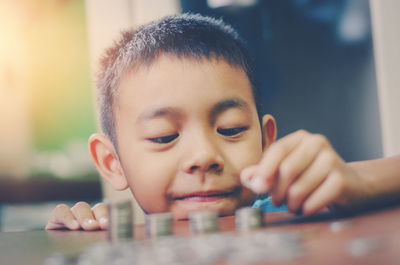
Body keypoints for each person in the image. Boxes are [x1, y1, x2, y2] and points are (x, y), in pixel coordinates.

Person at [46, 13, 400, 231]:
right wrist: (74, 230)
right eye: (164, 135)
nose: (204, 155)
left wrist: (357, 182)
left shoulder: (292, 211)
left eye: (230, 129)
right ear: (112, 162)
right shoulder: (116, 241)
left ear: (266, 141)